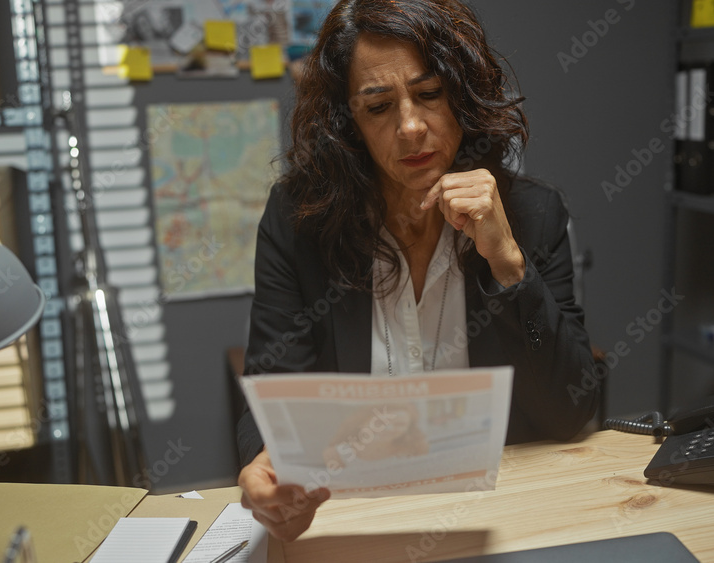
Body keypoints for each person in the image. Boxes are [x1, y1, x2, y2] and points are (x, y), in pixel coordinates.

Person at [236, 0, 599, 542]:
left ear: (464, 95)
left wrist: (509, 266)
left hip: (501, 520)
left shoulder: (532, 214)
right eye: (379, 107)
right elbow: (274, 399)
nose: (410, 127)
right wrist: (268, 465)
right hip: (354, 523)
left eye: (430, 95)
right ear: (349, 123)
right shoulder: (298, 222)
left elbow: (572, 411)